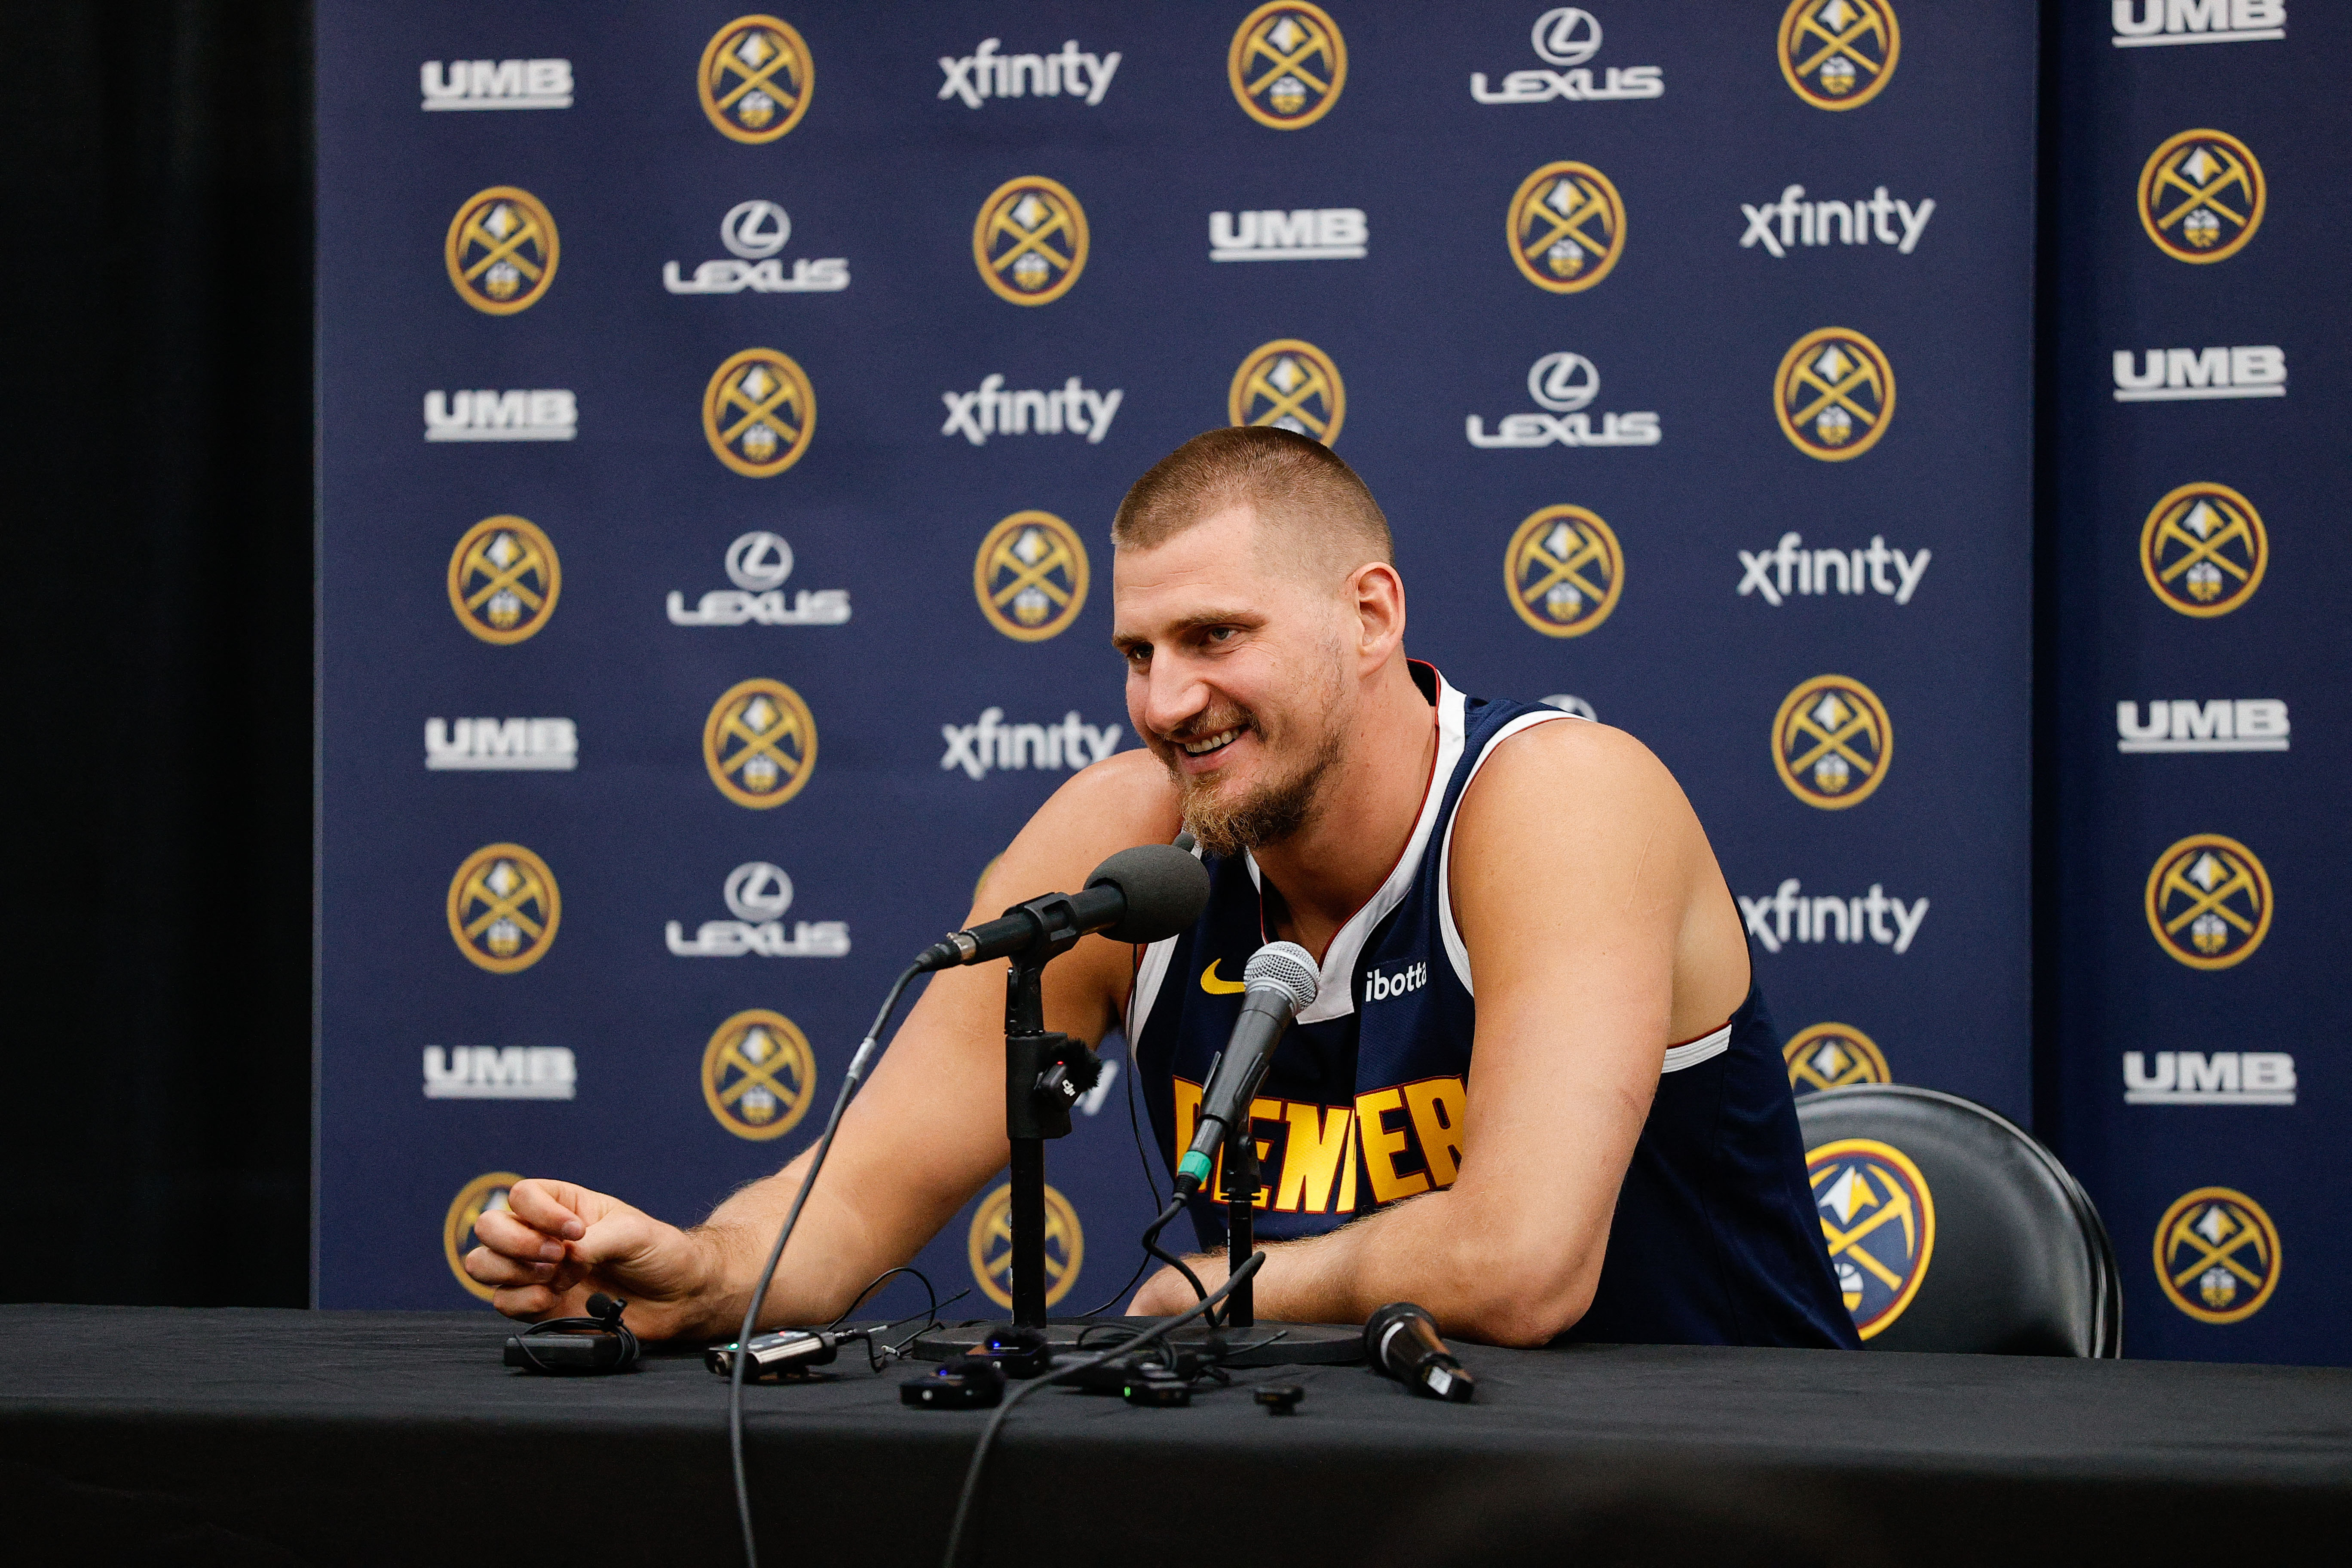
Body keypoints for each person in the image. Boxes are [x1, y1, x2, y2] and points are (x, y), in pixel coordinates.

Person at [467, 427, 1857, 1349]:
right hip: (1356, 1490)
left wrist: (1233, 1284)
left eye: (1215, 636)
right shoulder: (1127, 840)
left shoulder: (1555, 798)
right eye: (1137, 651)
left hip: (1719, 1491)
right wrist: (697, 1268)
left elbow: (1522, 1263)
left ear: (1371, 617)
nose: (1166, 699)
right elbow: (848, 1208)